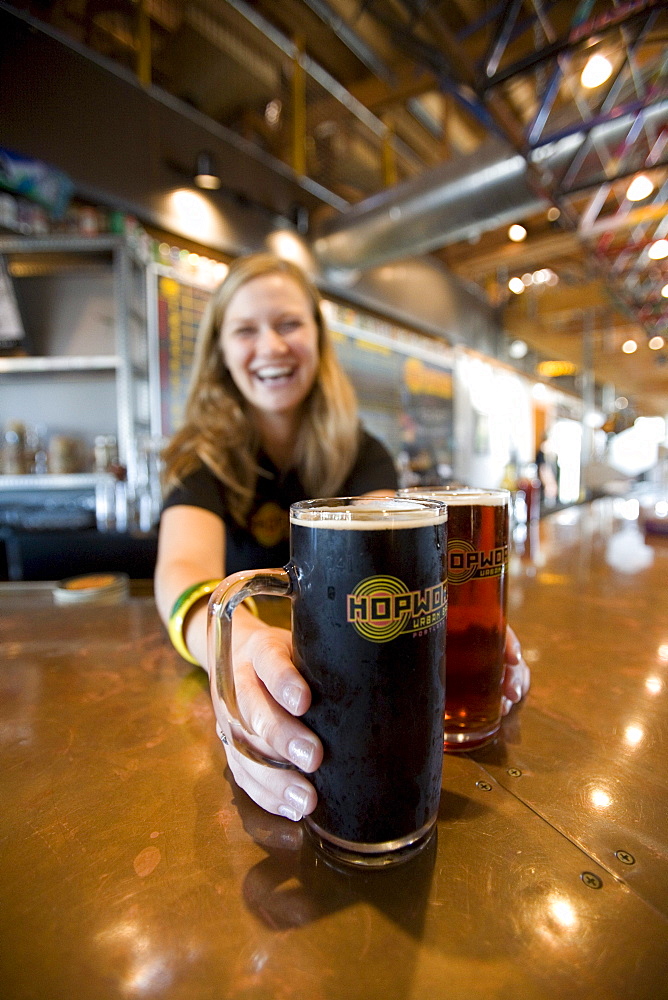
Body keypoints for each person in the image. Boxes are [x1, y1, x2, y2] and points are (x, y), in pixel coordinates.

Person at [155, 252, 530, 822]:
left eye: (288, 324)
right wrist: (241, 648)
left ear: (318, 340)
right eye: (246, 330)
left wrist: (460, 625)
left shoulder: (362, 452)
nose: (272, 346)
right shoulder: (200, 460)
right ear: (221, 353)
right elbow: (181, 571)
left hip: (351, 692)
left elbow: (393, 551)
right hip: (255, 679)